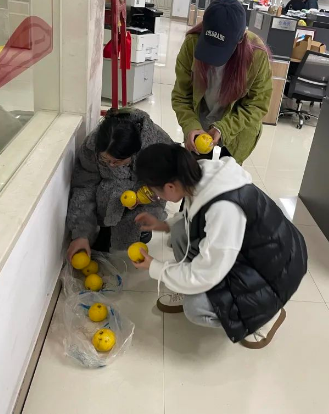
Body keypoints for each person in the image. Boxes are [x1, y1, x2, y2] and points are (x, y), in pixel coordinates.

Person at [132, 143, 308, 349]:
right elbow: (195, 217)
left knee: (195, 308)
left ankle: (268, 313)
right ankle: (188, 287)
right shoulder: (197, 174)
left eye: (155, 192)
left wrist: (155, 267)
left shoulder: (224, 209)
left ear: (170, 187)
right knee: (179, 232)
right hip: (251, 253)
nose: (157, 197)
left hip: (276, 273)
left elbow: (205, 275)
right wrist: (163, 225)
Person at [172, 0, 272, 165]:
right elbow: (181, 95)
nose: (212, 59)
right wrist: (190, 125)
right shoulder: (192, 44)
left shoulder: (257, 56)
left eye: (221, 49)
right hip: (200, 125)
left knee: (226, 175)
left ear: (240, 39)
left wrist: (223, 128)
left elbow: (257, 105)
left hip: (236, 130)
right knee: (194, 172)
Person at [66, 108, 173, 260]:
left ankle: (139, 227)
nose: (111, 165)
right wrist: (81, 233)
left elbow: (171, 179)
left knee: (141, 226)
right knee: (107, 191)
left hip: (145, 190)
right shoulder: (92, 148)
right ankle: (107, 227)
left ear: (134, 153)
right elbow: (84, 188)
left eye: (117, 161)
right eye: (105, 159)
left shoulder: (158, 145)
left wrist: (151, 193)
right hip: (110, 197)